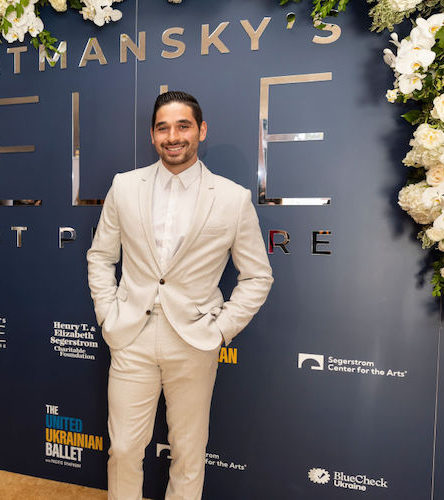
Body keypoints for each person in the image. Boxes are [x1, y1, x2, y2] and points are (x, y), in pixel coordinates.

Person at [86, 91, 273, 500]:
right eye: (163, 127)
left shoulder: (232, 198)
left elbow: (258, 276)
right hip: (130, 337)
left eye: (183, 126)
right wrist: (107, 315)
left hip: (194, 341)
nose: (173, 136)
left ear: (201, 131)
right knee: (122, 450)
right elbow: (100, 257)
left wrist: (221, 331)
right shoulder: (124, 186)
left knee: (188, 454)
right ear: (153, 135)